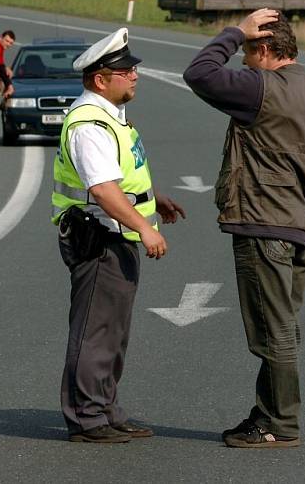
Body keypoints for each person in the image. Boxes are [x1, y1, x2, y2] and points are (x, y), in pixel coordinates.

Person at [183, 9, 305, 448]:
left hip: (263, 223)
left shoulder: (261, 89)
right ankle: (266, 413)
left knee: (272, 332)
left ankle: (281, 423)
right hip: (298, 227)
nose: (243, 63)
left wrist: (235, 31)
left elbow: (199, 73)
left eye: (248, 53)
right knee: (283, 326)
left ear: (266, 49)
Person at [52, 27, 185, 443]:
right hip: (101, 238)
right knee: (96, 330)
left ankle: (105, 409)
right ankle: (86, 418)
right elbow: (103, 189)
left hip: (116, 237)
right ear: (100, 79)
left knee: (113, 331)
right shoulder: (89, 124)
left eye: (132, 69)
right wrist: (144, 226)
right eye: (125, 70)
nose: (134, 75)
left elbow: (120, 179)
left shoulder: (112, 118)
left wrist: (152, 198)